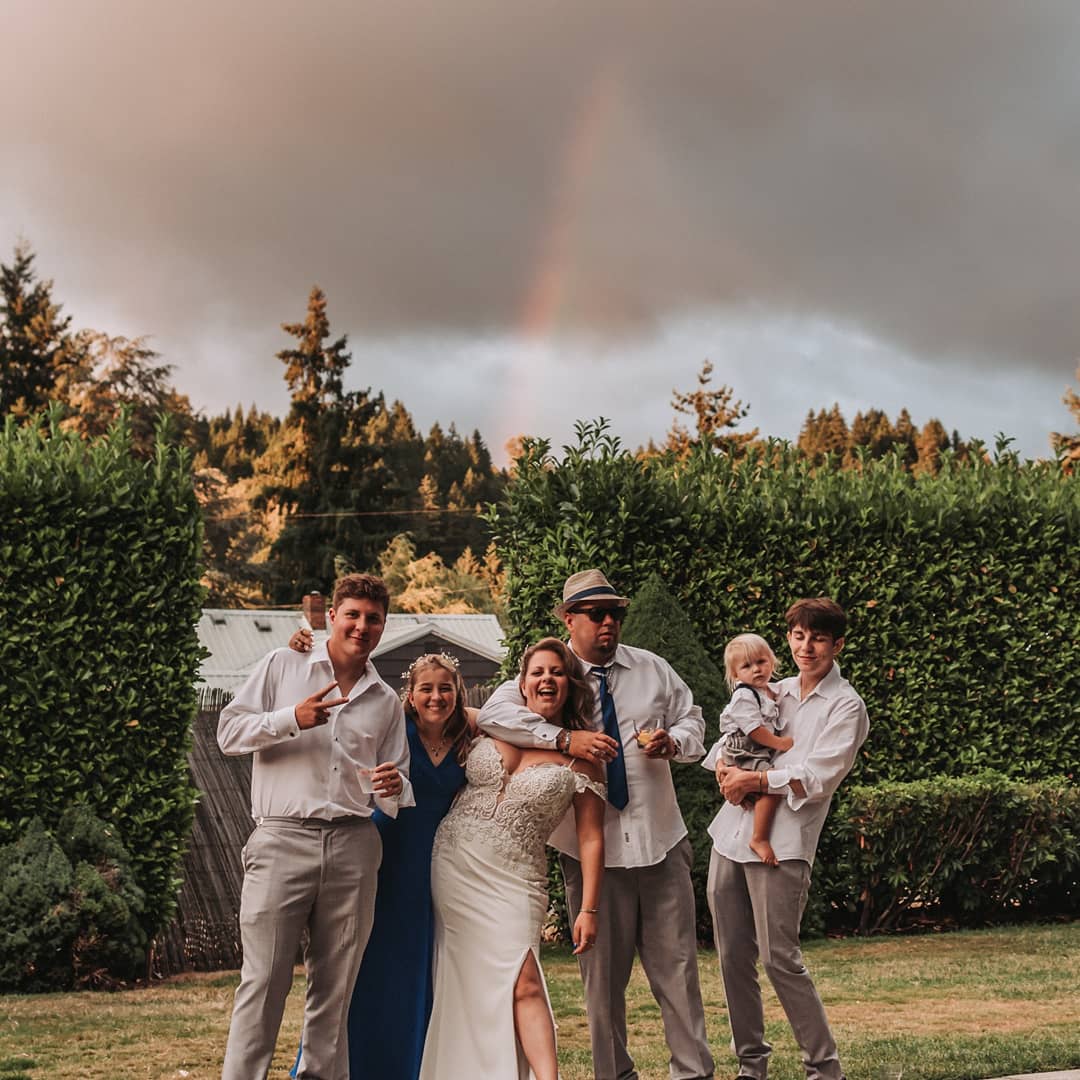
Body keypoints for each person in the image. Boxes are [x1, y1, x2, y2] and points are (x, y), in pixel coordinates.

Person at [479, 569, 715, 1080]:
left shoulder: (652, 668)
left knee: (678, 974)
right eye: (596, 614)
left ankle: (693, 1074)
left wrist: (674, 742)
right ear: (569, 619)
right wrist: (566, 739)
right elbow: (494, 715)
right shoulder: (550, 673)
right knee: (602, 986)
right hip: (590, 857)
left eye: (615, 613)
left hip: (661, 841)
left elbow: (693, 719)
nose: (609, 622)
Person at [217, 573, 413, 1080]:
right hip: (282, 839)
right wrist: (291, 718)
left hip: (355, 844)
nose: (362, 626)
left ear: (384, 626)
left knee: (336, 987)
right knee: (263, 981)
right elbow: (228, 733)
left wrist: (394, 785)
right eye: (353, 615)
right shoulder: (283, 665)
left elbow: (398, 784)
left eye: (373, 619)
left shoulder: (385, 700)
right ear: (331, 617)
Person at [284, 647, 476, 1080]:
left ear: (458, 692)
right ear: (411, 695)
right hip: (385, 853)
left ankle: (403, 1067)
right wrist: (303, 643)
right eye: (426, 689)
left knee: (415, 968)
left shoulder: (469, 736)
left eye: (445, 688)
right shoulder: (395, 727)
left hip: (437, 866)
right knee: (359, 964)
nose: (436, 697)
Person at [420, 637, 606, 1080]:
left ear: (569, 684)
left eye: (556, 672)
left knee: (524, 978)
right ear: (522, 684)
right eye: (537, 672)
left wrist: (589, 909)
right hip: (455, 866)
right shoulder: (488, 726)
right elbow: (428, 708)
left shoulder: (584, 759)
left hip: (517, 877)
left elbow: (592, 839)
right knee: (463, 980)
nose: (546, 680)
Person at [705, 598, 869, 1080]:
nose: (806, 647)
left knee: (780, 959)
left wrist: (755, 780)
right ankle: (750, 1066)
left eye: (818, 638)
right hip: (730, 836)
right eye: (799, 636)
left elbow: (817, 777)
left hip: (785, 845)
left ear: (838, 645)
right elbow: (731, 736)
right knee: (733, 957)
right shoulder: (770, 689)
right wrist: (723, 767)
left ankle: (824, 1069)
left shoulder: (846, 706)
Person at [704, 633, 793, 866]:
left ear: (772, 661)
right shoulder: (744, 695)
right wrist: (780, 743)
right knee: (772, 787)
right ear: (736, 675)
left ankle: (751, 818)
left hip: (751, 748)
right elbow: (754, 730)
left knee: (756, 789)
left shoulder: (768, 691)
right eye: (747, 666)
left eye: (761, 662)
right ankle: (759, 838)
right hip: (745, 748)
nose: (756, 669)